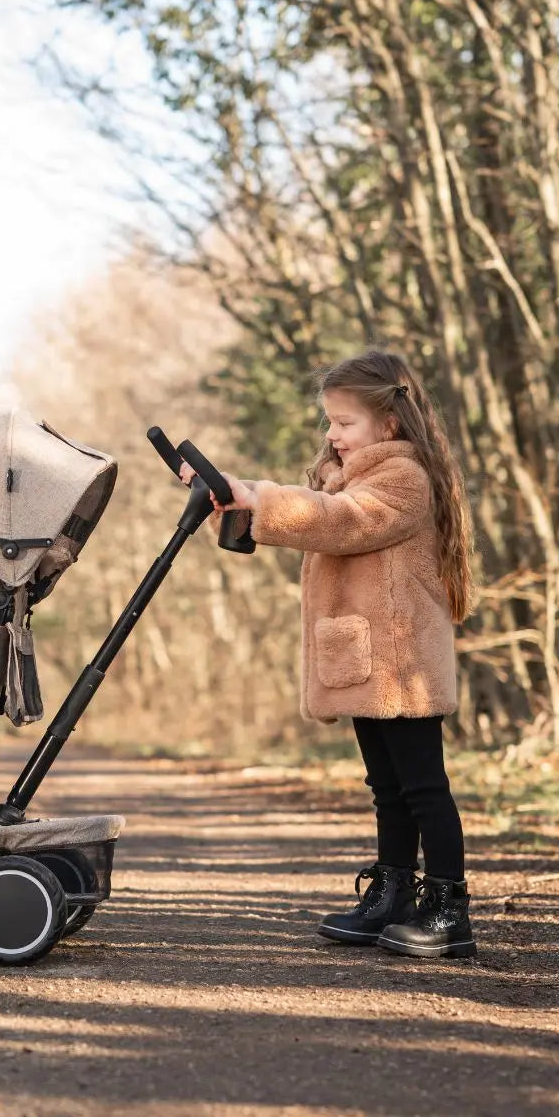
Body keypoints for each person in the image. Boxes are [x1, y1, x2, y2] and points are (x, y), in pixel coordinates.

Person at [191, 349, 476, 959]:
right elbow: (321, 508)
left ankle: (450, 910)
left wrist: (261, 499)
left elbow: (342, 521)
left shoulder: (403, 480)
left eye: (344, 423)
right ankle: (393, 892)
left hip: (404, 666)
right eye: (330, 422)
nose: (331, 434)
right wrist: (245, 502)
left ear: (389, 424)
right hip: (369, 660)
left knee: (424, 787)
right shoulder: (350, 477)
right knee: (386, 786)